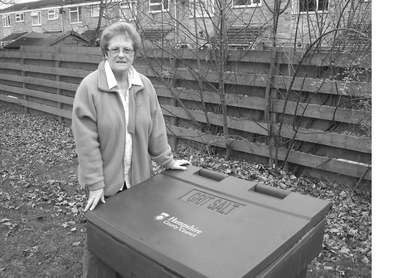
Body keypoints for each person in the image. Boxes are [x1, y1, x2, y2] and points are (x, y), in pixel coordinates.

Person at [71, 21, 189, 277]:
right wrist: (95, 182)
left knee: (135, 241)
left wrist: (168, 161)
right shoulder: (90, 87)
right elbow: (86, 140)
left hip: (137, 181)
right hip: (104, 184)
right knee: (101, 246)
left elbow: (155, 128)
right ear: (105, 52)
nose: (121, 54)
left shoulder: (144, 86)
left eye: (127, 49)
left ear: (135, 52)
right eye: (114, 49)